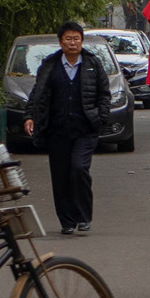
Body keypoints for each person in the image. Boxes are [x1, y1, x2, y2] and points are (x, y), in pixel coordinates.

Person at [22, 20, 108, 235]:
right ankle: (67, 221)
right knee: (60, 176)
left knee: (79, 168)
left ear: (82, 41)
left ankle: (83, 216)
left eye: (76, 39)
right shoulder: (50, 65)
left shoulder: (93, 64)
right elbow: (38, 93)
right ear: (60, 42)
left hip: (85, 129)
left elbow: (104, 94)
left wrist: (101, 117)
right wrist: (30, 116)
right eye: (68, 39)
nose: (72, 43)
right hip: (57, 130)